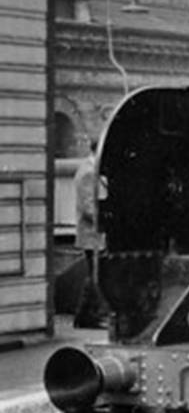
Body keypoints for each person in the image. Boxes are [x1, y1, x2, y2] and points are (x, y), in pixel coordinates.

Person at [73, 141, 108, 329]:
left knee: (94, 275)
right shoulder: (88, 172)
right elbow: (89, 207)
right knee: (95, 275)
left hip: (94, 235)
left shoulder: (93, 169)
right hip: (92, 235)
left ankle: (84, 316)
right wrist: (109, 221)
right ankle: (89, 316)